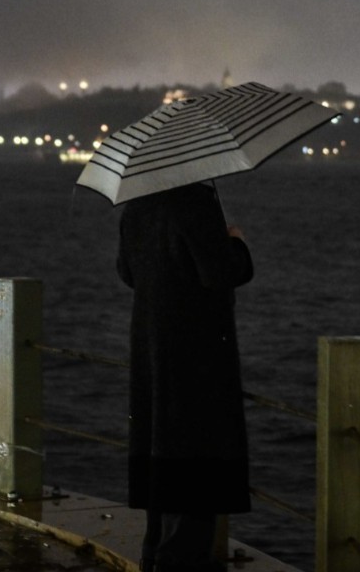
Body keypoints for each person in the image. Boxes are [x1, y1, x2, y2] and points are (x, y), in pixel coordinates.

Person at [117, 181, 254, 572]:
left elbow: (126, 270)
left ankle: (155, 554)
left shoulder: (137, 204)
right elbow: (219, 271)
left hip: (152, 345)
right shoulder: (194, 200)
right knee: (196, 456)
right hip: (196, 352)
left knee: (162, 451)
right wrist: (236, 243)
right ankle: (180, 562)